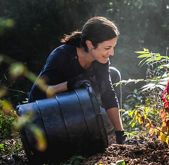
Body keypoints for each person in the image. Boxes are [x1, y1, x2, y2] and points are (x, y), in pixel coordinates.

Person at [28, 16, 126, 144]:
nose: (112, 53)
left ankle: (110, 133)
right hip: (52, 117)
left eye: (113, 47)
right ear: (90, 44)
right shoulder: (61, 56)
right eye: (107, 48)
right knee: (100, 119)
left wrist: (120, 133)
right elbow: (37, 95)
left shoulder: (101, 60)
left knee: (113, 74)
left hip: (79, 108)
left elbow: (108, 93)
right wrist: (70, 84)